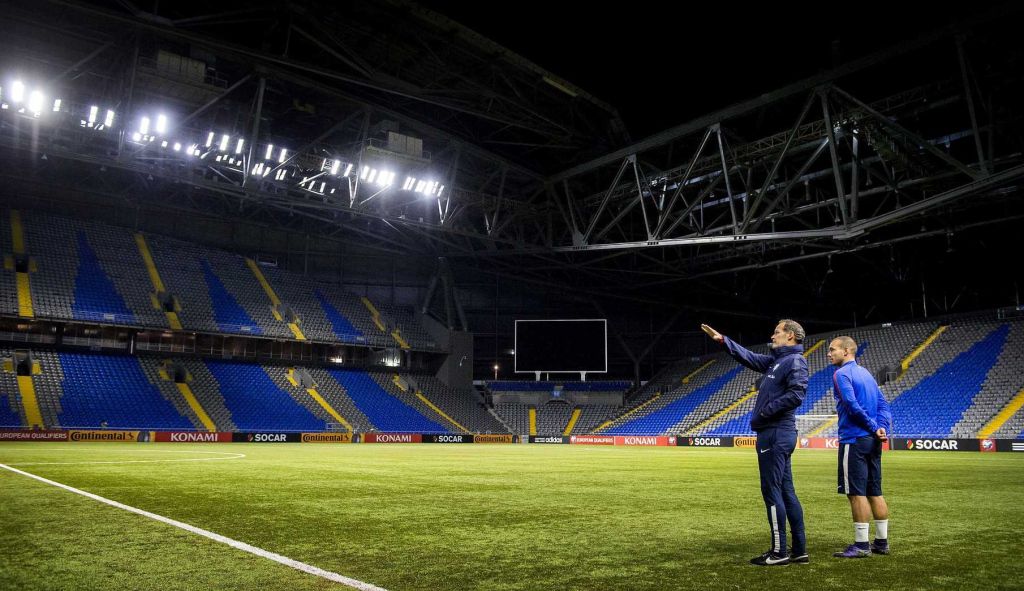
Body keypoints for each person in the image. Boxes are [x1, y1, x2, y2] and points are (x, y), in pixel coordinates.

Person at [701, 320, 809, 566]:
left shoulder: (794, 361)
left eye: (777, 332)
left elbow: (796, 394)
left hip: (775, 432)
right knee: (785, 491)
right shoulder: (777, 361)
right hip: (777, 432)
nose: (772, 335)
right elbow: (747, 357)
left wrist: (764, 413)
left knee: (772, 492)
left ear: (790, 336)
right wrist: (722, 340)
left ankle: (779, 552)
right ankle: (799, 550)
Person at [827, 336, 893, 558]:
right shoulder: (866, 374)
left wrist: (874, 427)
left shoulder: (841, 374)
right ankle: (881, 543)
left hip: (854, 439)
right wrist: (881, 428)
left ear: (846, 351)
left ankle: (862, 545)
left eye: (832, 350)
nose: (829, 354)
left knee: (855, 493)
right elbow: (884, 405)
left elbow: (852, 406)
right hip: (873, 441)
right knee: (875, 491)